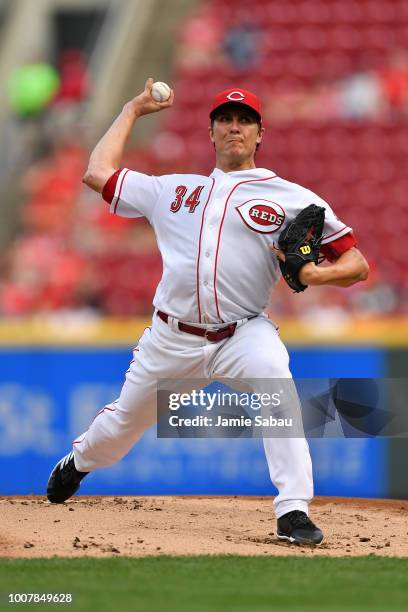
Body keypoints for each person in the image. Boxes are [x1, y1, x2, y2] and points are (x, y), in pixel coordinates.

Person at [46, 79, 369, 545]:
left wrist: (313, 275)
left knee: (277, 385)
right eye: (225, 120)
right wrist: (132, 110)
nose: (234, 127)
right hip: (171, 338)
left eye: (245, 121)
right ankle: (78, 462)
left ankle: (292, 510)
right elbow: (98, 173)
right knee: (118, 430)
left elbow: (356, 264)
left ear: (261, 134)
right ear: (211, 133)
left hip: (242, 333)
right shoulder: (174, 191)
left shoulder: (292, 197)